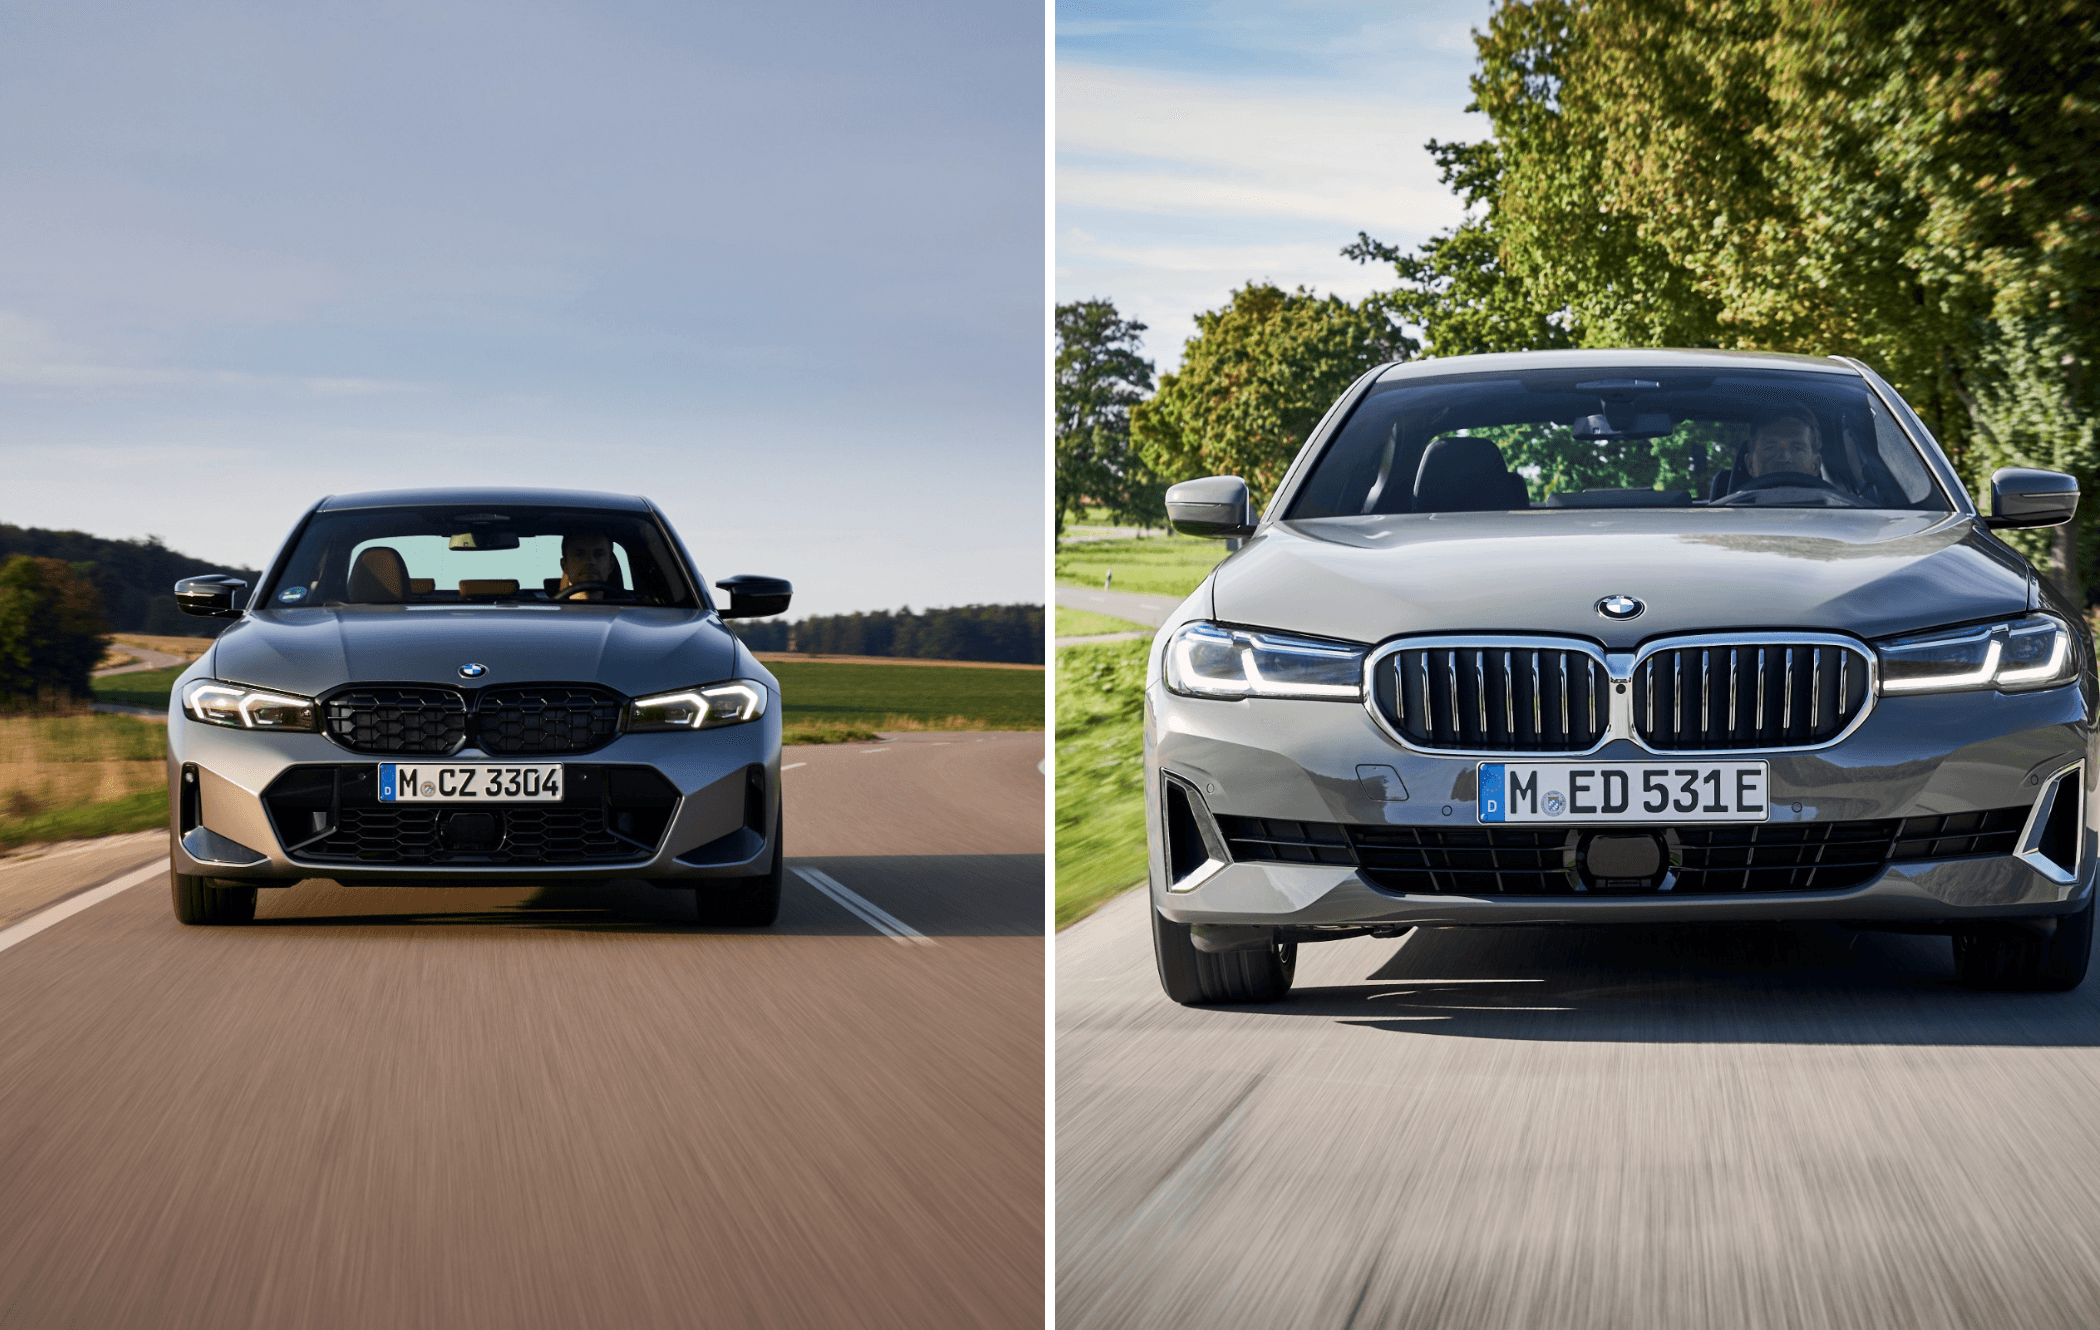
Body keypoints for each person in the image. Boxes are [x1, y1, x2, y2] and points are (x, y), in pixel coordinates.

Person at [1741, 412, 1823, 482]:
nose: (1785, 458)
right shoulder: (1734, 501)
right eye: (1771, 448)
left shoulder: (1834, 500)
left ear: (1815, 465)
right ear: (1751, 464)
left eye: (1797, 448)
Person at [556, 530, 619, 599]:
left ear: (611, 565)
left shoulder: (629, 607)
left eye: (598, 554)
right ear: (565, 566)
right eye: (580, 554)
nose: (590, 561)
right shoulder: (547, 608)